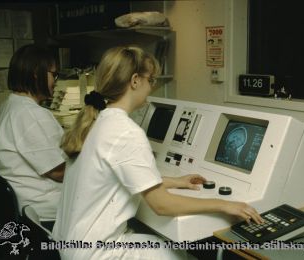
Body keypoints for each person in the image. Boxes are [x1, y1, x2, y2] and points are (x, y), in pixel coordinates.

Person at [52, 46, 262, 259]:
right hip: (98, 252)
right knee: (180, 255)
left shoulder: (100, 122)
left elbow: (120, 177)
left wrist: (175, 181)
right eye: (151, 79)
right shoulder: (126, 132)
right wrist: (224, 205)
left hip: (72, 246)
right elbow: (162, 205)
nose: (152, 87)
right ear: (135, 80)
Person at [0, 44, 65, 228]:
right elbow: (58, 172)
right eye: (53, 74)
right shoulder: (31, 114)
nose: (55, 81)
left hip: (21, 207)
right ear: (36, 73)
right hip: (44, 212)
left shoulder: (10, 105)